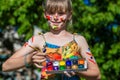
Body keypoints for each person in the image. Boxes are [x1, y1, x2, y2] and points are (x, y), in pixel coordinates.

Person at [2, 0, 101, 80]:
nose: (56, 17)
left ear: (69, 15)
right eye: (51, 13)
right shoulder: (37, 40)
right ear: (45, 14)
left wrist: (74, 69)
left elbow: (96, 74)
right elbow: (5, 66)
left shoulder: (78, 40)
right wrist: (29, 59)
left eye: (61, 13)